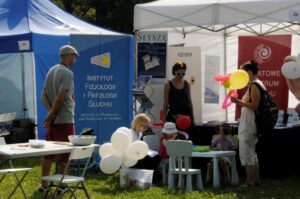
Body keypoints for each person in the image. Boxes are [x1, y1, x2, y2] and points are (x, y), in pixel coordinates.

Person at [40, 45, 79, 193]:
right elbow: (61, 97)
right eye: (74, 56)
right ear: (68, 55)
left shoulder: (51, 71)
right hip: (65, 119)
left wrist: (50, 113)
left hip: (54, 121)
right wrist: (52, 114)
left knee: (48, 153)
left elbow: (43, 96)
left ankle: (44, 185)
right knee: (65, 153)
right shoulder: (67, 73)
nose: (75, 59)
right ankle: (62, 186)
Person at [230, 60, 262, 187]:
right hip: (250, 123)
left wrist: (237, 101)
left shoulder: (254, 85)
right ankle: (256, 180)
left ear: (249, 72)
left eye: (242, 72)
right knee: (252, 154)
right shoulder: (256, 84)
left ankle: (250, 181)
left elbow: (254, 105)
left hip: (249, 124)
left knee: (247, 153)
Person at [129, 113, 162, 184]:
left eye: (146, 127)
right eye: (144, 126)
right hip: (132, 160)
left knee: (157, 157)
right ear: (137, 124)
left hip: (138, 157)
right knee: (153, 159)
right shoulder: (130, 133)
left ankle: (148, 176)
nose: (145, 129)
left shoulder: (139, 134)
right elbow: (130, 150)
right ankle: (147, 177)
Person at [162, 61, 195, 131]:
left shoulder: (187, 84)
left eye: (183, 74)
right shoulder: (168, 85)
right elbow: (165, 103)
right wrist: (164, 118)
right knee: (174, 138)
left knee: (186, 138)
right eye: (178, 74)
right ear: (174, 72)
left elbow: (190, 102)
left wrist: (193, 118)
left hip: (186, 116)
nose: (181, 76)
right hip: (173, 116)